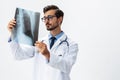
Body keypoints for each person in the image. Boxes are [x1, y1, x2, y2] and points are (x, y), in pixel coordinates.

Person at [7, 5, 79, 80]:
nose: (46, 21)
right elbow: (18, 55)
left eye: (50, 18)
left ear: (59, 19)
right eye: (44, 18)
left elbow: (67, 66)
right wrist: (13, 34)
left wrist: (48, 54)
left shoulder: (71, 45)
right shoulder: (39, 42)